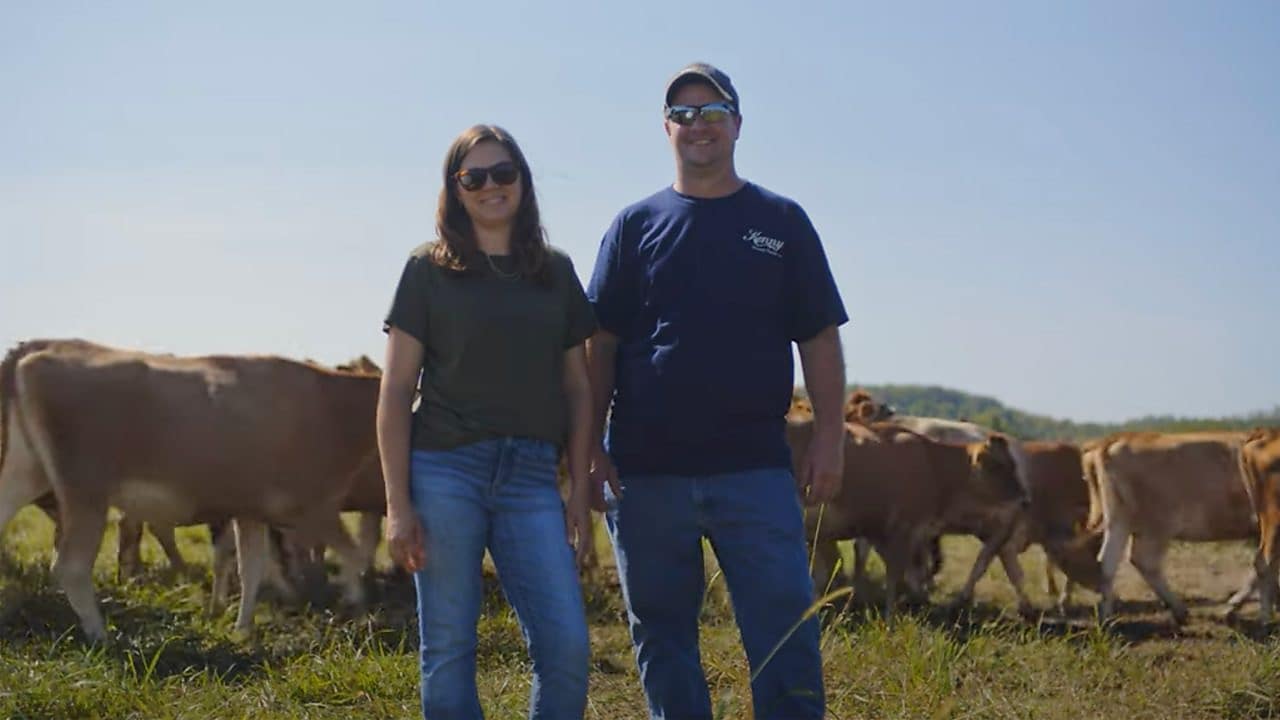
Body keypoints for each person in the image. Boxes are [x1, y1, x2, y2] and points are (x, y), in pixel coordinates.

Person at [585, 63, 848, 720]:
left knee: (784, 627)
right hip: (646, 471)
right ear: (665, 128)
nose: (697, 124)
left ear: (737, 123)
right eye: (683, 113)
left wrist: (830, 436)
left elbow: (818, 337)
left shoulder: (781, 221)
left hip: (753, 468)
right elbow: (600, 344)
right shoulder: (633, 226)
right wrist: (589, 445)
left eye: (711, 111)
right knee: (662, 635)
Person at [377, 124, 596, 720]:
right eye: (473, 177)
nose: (490, 186)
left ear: (523, 181)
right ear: (455, 189)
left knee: (567, 646)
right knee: (449, 646)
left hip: (532, 477)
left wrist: (579, 489)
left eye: (504, 173)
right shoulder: (426, 269)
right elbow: (395, 391)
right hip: (445, 470)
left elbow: (579, 389)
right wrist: (398, 505)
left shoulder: (555, 271)